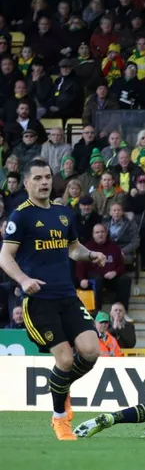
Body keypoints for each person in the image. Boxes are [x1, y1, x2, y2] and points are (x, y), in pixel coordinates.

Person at [0, 159, 108, 440]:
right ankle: (60, 418)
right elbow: (4, 256)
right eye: (37, 178)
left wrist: (90, 254)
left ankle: (60, 387)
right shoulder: (20, 216)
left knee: (91, 351)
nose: (44, 182)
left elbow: (73, 249)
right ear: (26, 184)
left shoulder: (63, 213)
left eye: (47, 177)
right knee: (64, 359)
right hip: (39, 301)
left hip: (68, 297)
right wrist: (24, 280)